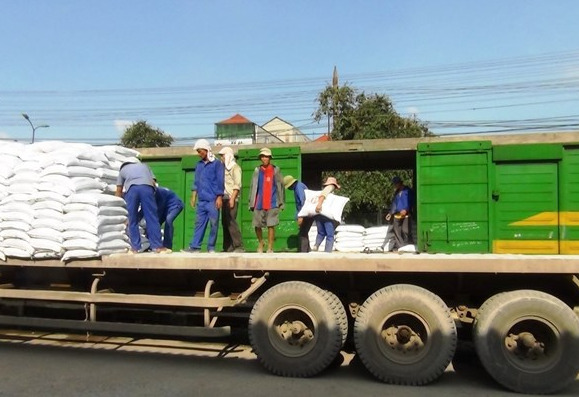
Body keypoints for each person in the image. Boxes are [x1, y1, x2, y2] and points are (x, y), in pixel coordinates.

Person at [115, 160, 170, 254]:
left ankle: (135, 248)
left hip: (132, 189)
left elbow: (119, 190)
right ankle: (158, 247)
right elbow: (153, 182)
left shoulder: (122, 170)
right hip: (147, 188)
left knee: (132, 219)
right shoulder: (145, 166)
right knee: (152, 218)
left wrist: (116, 206)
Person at [183, 139, 224, 253]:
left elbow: (220, 180)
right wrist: (193, 196)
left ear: (206, 150)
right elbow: (197, 181)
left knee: (214, 224)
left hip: (212, 200)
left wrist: (219, 197)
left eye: (200, 151)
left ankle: (211, 247)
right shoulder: (199, 165)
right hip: (202, 201)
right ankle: (195, 246)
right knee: (199, 224)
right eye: (198, 151)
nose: (199, 154)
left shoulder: (217, 164)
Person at [249, 147, 284, 253]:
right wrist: (251, 202)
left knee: (271, 225)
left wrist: (281, 203)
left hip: (272, 202)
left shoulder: (276, 170)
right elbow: (252, 187)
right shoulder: (257, 170)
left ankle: (270, 247)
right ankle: (260, 242)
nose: (264, 159)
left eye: (266, 157)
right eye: (263, 156)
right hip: (259, 202)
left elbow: (280, 187)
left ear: (270, 158)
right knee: (257, 225)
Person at [218, 146, 244, 253]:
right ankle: (228, 247)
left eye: (223, 156)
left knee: (231, 222)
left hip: (230, 198)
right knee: (225, 223)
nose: (222, 159)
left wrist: (232, 199)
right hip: (224, 198)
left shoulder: (235, 168)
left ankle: (239, 246)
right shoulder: (224, 168)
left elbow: (237, 185)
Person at [284, 175, 314, 252]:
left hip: (306, 213)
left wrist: (301, 216)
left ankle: (303, 253)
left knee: (303, 233)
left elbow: (302, 202)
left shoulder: (298, 188)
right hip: (307, 213)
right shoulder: (300, 185)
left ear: (291, 184)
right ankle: (308, 250)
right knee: (304, 232)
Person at [153, 182, 184, 250]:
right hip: (166, 207)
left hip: (176, 205)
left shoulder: (160, 193)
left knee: (168, 220)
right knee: (155, 222)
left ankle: (167, 246)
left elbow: (159, 209)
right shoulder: (152, 193)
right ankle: (153, 244)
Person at [313, 176, 340, 253]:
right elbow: (323, 195)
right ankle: (327, 252)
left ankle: (316, 245)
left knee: (321, 233)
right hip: (326, 215)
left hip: (319, 214)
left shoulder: (323, 191)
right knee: (330, 235)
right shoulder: (330, 187)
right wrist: (319, 204)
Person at [385, 175, 412, 251]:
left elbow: (410, 201)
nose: (395, 186)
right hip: (397, 215)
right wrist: (390, 213)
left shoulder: (407, 191)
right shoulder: (396, 193)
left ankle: (408, 245)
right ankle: (401, 247)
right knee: (397, 232)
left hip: (406, 215)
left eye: (396, 184)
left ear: (399, 183)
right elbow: (394, 204)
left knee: (405, 230)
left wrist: (406, 210)